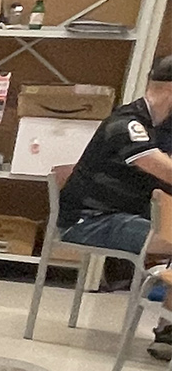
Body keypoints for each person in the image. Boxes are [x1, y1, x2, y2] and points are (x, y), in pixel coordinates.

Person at [56, 56, 172, 345]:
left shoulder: (163, 127)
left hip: (128, 216)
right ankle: (168, 332)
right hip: (91, 220)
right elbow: (165, 170)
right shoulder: (127, 124)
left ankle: (167, 327)